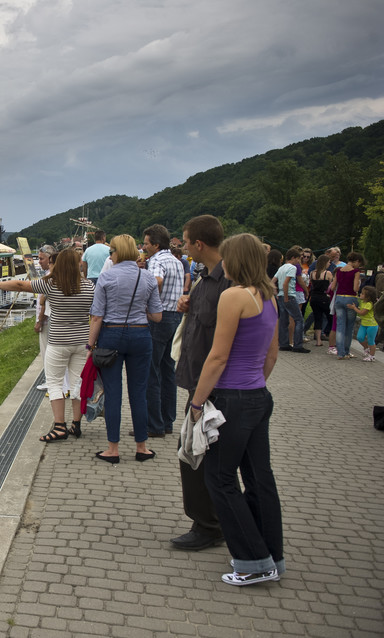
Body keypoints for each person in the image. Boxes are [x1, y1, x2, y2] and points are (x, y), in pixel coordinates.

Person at [189, 233, 283, 586]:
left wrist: (198, 402)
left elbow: (218, 356)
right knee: (260, 478)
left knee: (220, 479)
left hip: (231, 398)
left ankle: (252, 560)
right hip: (258, 395)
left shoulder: (233, 296)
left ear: (236, 261)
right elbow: (271, 354)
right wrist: (254, 385)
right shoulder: (269, 295)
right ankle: (273, 554)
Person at [0, 248, 95, 441]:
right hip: (81, 341)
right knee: (78, 383)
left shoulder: (51, 284)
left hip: (59, 341)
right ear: (78, 265)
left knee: (54, 382)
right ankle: (76, 424)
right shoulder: (89, 287)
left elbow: (19, 284)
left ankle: (59, 426)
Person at [169, 214, 229, 551]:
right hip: (198, 380)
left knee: (197, 454)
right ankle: (208, 520)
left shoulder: (227, 284)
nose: (184, 246)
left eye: (186, 241)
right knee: (194, 454)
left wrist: (198, 399)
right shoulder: (205, 280)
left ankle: (208, 525)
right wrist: (186, 307)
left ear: (199, 244)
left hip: (211, 387)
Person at [87, 234, 163, 463]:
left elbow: (97, 316)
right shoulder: (148, 277)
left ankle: (113, 449)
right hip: (141, 334)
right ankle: (142, 447)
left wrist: (90, 345)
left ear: (118, 252)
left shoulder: (106, 277)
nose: (110, 254)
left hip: (112, 335)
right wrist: (140, 310)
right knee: (139, 393)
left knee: (113, 393)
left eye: (111, 251)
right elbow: (157, 316)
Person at [142, 224, 185, 437]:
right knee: (168, 370)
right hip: (175, 316)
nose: (144, 247)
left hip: (159, 318)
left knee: (151, 371)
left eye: (146, 243)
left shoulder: (157, 260)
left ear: (156, 244)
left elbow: (156, 280)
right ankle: (167, 421)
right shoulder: (176, 261)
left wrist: (148, 299)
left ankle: (153, 424)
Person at [329, 252, 365, 359]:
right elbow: (355, 289)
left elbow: (332, 287)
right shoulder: (355, 271)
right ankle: (346, 351)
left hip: (339, 298)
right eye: (359, 263)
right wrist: (358, 283)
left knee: (340, 326)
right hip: (350, 298)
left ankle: (340, 353)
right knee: (349, 327)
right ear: (357, 261)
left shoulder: (339, 270)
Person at [274, 247, 309, 353]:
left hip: (280, 295)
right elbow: (286, 283)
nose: (299, 261)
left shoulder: (281, 267)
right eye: (298, 259)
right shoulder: (292, 268)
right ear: (293, 258)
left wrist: (277, 294)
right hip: (289, 295)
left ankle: (284, 343)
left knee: (283, 320)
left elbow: (272, 282)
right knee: (299, 319)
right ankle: (298, 345)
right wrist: (285, 296)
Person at [34, 245, 56, 391]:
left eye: (42, 258)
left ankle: (50, 381)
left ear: (50, 258)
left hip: (47, 321)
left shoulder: (48, 277)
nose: (39, 261)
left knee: (46, 352)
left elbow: (43, 302)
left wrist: (39, 321)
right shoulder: (54, 275)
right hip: (51, 319)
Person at [306, 254, 333, 347]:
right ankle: (330, 336)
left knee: (318, 318)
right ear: (325, 262)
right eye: (329, 262)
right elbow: (331, 286)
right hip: (324, 298)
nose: (330, 264)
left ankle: (318, 340)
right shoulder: (327, 273)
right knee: (331, 318)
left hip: (314, 298)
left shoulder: (312, 273)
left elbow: (311, 285)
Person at [349, 285, 378, 361]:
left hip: (371, 325)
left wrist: (354, 308)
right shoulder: (362, 302)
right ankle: (366, 348)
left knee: (371, 340)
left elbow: (362, 313)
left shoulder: (369, 304)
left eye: (362, 294)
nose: (360, 295)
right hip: (364, 324)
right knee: (360, 337)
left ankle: (372, 356)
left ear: (368, 296)